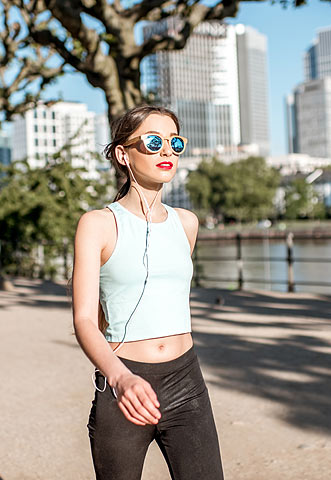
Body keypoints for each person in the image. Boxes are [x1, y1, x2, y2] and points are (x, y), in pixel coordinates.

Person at [71, 105, 224, 479]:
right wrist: (120, 377)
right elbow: (86, 320)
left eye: (174, 142)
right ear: (123, 154)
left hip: (187, 380)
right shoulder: (97, 225)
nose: (167, 151)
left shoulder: (186, 223)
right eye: (154, 142)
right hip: (124, 383)